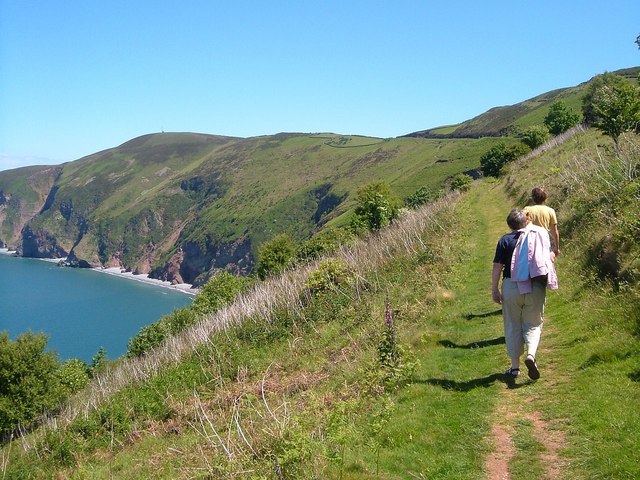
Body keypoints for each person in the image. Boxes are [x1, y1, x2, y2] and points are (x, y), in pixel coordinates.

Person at [492, 208, 556, 381]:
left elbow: (497, 266)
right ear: (526, 221)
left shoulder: (504, 241)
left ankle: (514, 368)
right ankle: (531, 355)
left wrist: (494, 289)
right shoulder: (538, 236)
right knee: (533, 324)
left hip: (511, 286)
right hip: (535, 284)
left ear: (509, 225)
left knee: (512, 325)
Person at [523, 186, 560, 257]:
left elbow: (521, 225)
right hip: (544, 240)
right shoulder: (550, 211)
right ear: (545, 198)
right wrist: (557, 248)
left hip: (530, 240)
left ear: (533, 198)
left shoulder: (527, 209)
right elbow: (554, 232)